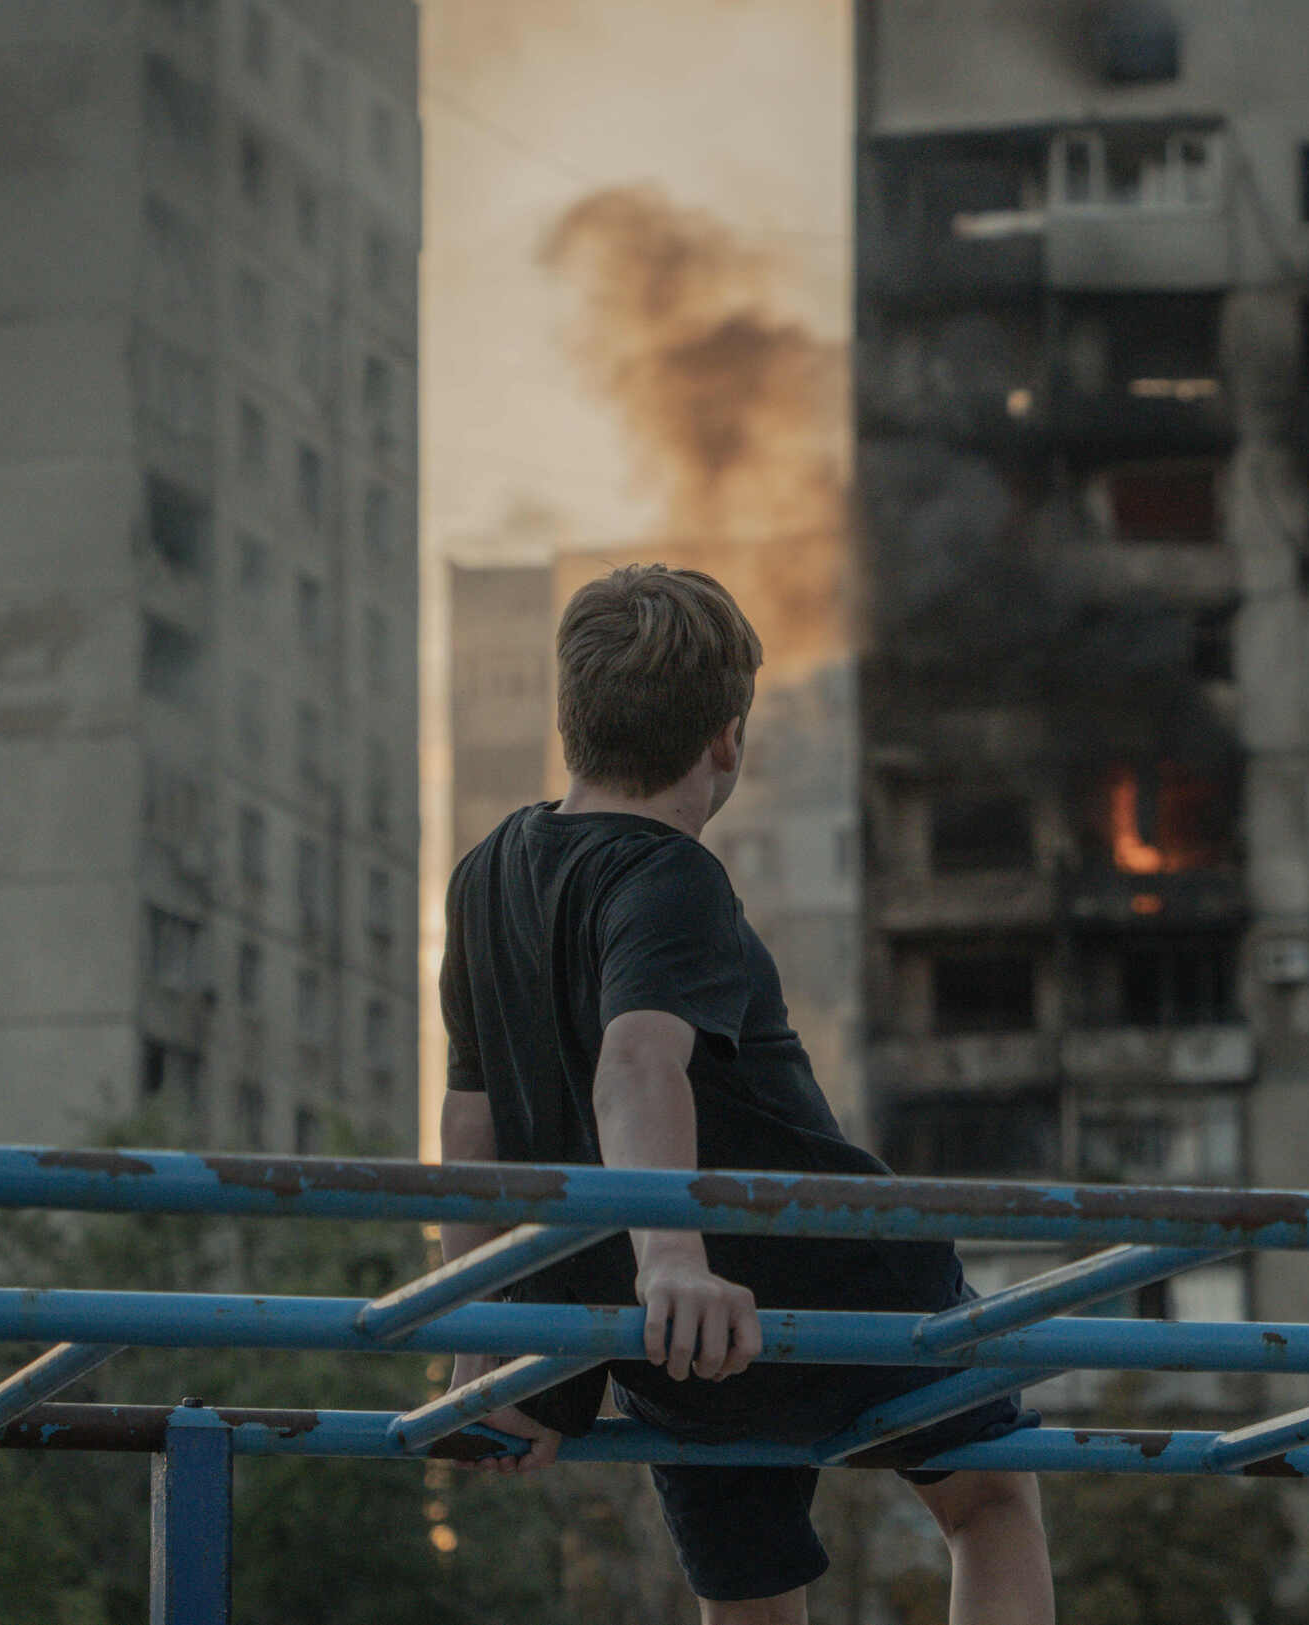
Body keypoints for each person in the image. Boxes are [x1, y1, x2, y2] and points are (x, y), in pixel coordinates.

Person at [436, 564, 1054, 1625]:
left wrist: (475, 1320)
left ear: (570, 718)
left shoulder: (486, 870)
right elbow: (636, 1062)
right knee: (990, 1501)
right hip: (823, 1282)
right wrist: (674, 1258)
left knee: (751, 1592)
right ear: (726, 738)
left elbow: (472, 1122)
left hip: (662, 1340)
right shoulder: (668, 873)